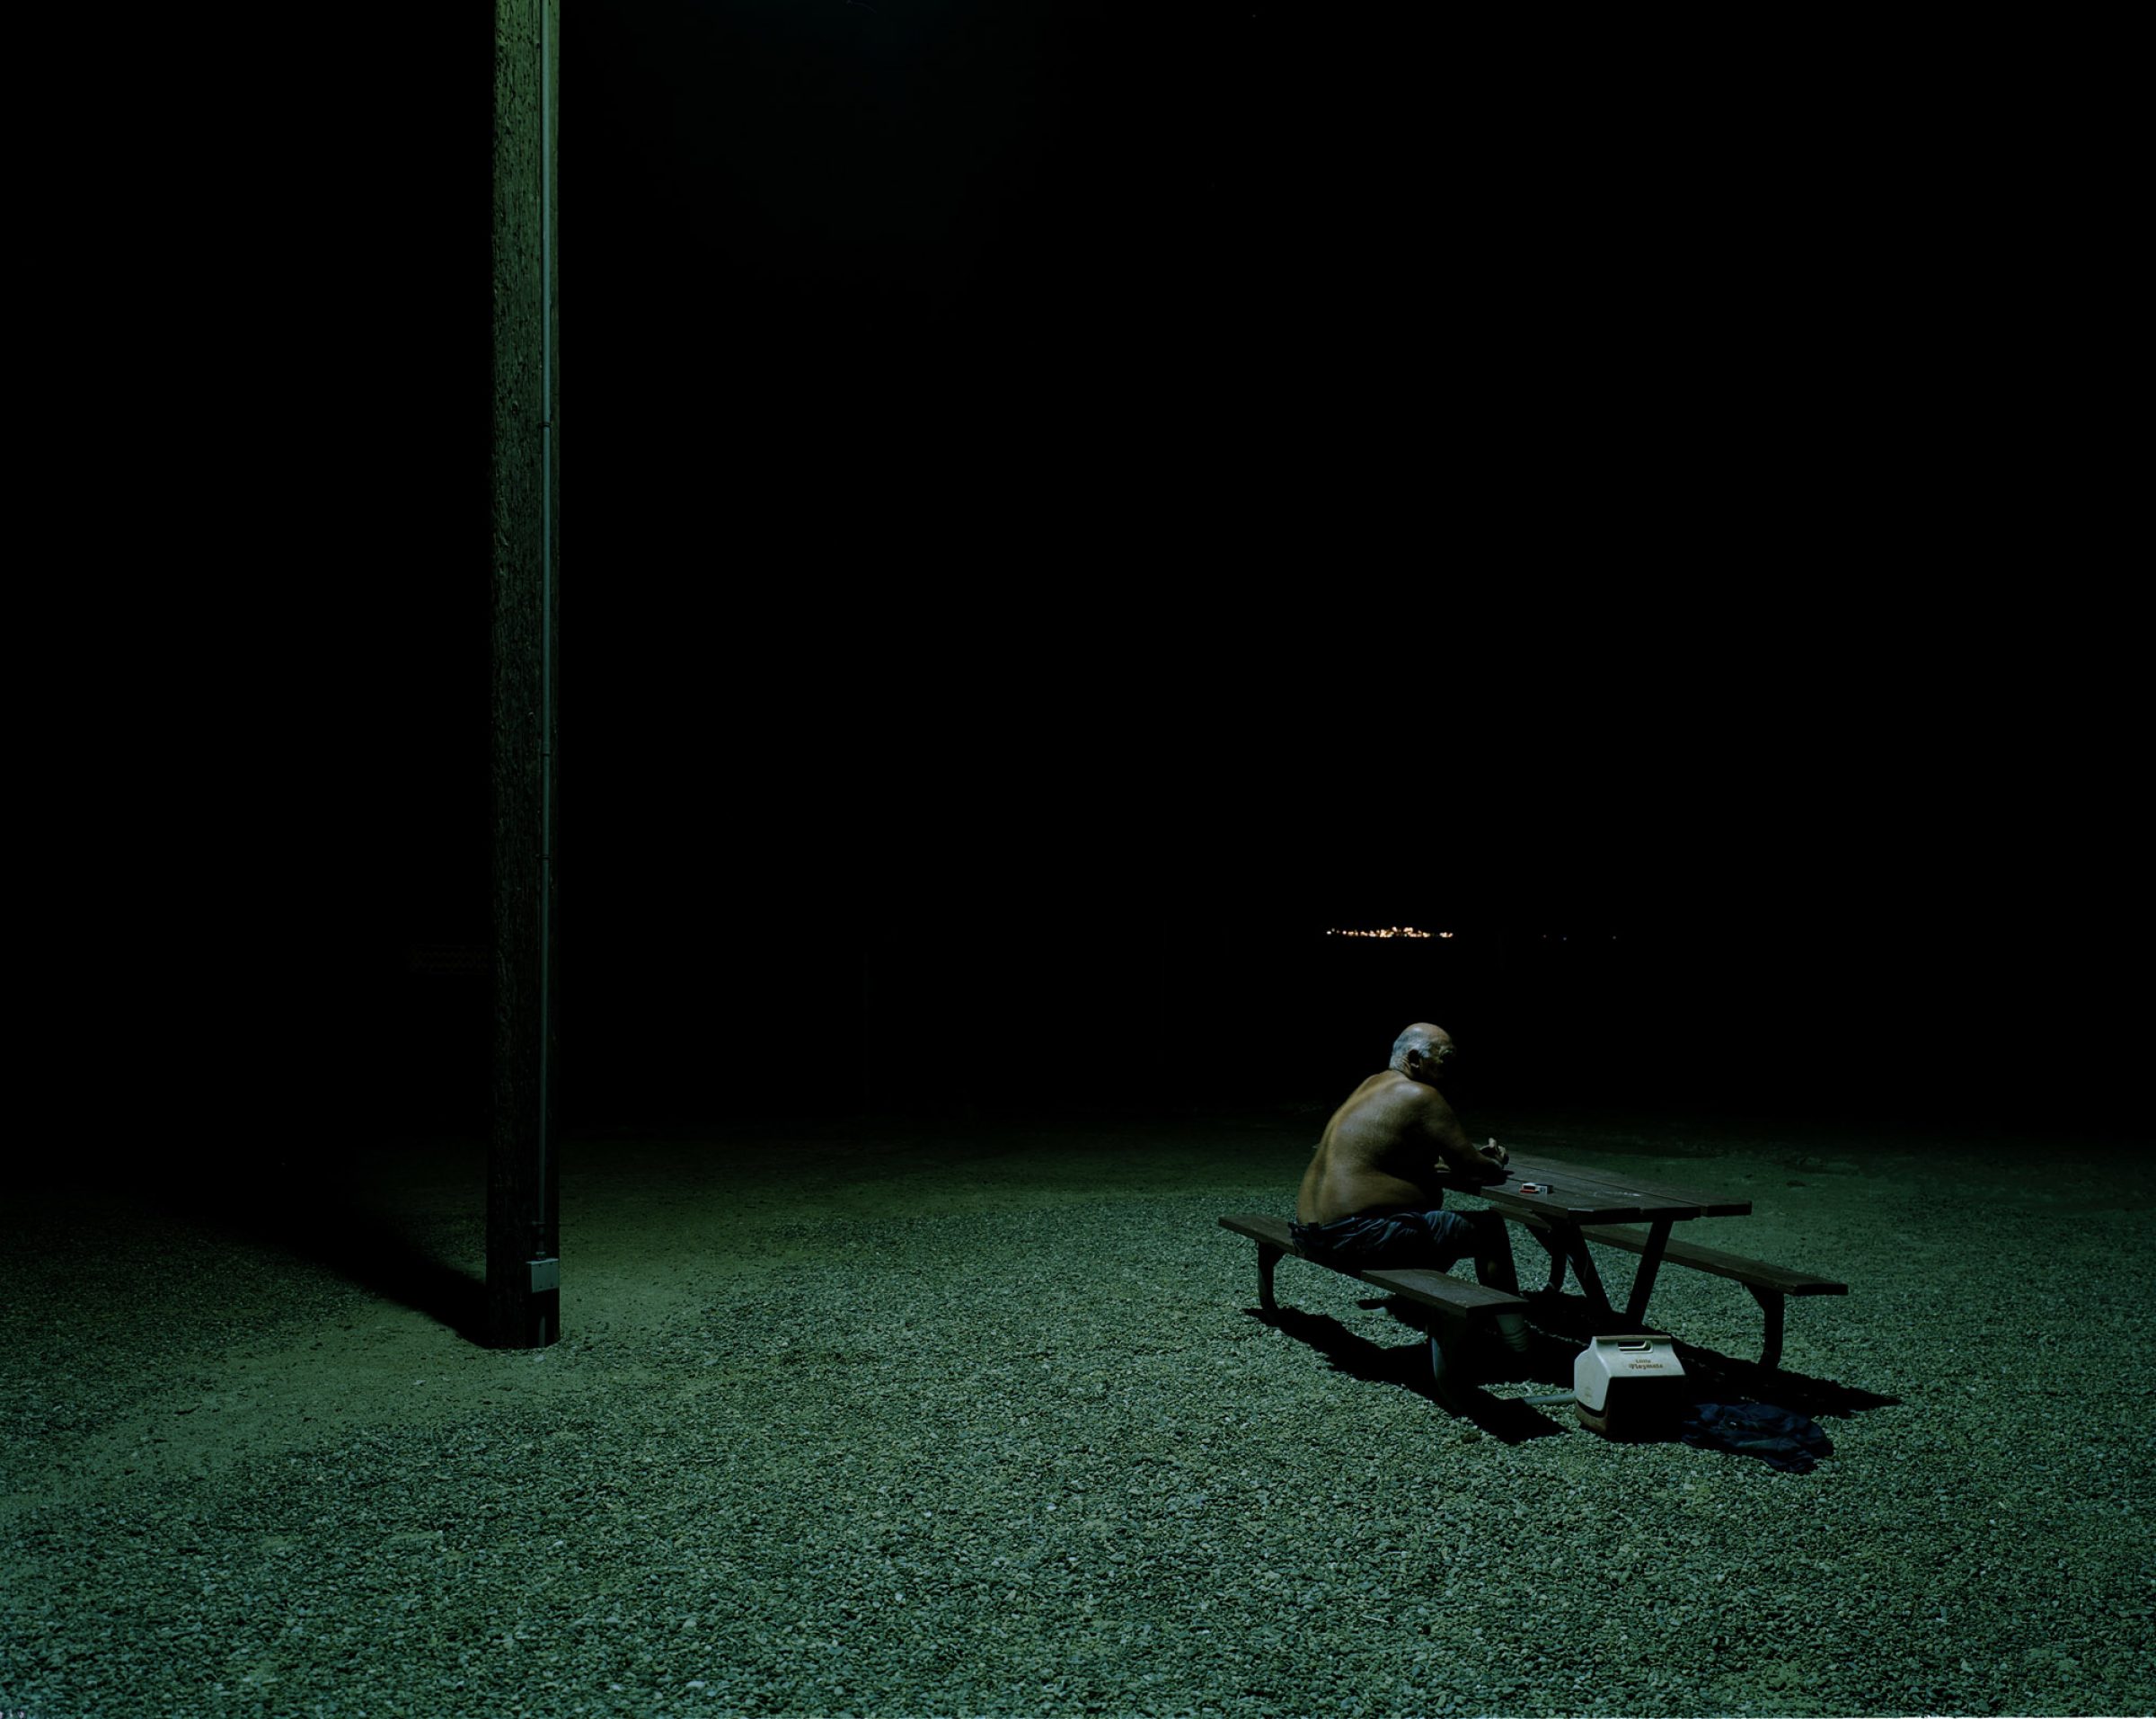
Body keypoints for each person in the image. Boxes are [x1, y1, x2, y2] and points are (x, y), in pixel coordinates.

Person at [1292, 1023, 1531, 1351]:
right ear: (1416, 1059)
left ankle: (1408, 1304)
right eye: (1446, 1058)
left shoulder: (1371, 1085)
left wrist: (1453, 1161)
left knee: (1430, 1223)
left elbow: (1394, 1156)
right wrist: (1495, 1162)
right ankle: (1517, 1342)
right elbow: (1474, 1169)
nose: (1451, 1069)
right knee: (1489, 1228)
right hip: (1353, 1236)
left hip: (1310, 1231)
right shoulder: (1421, 1096)